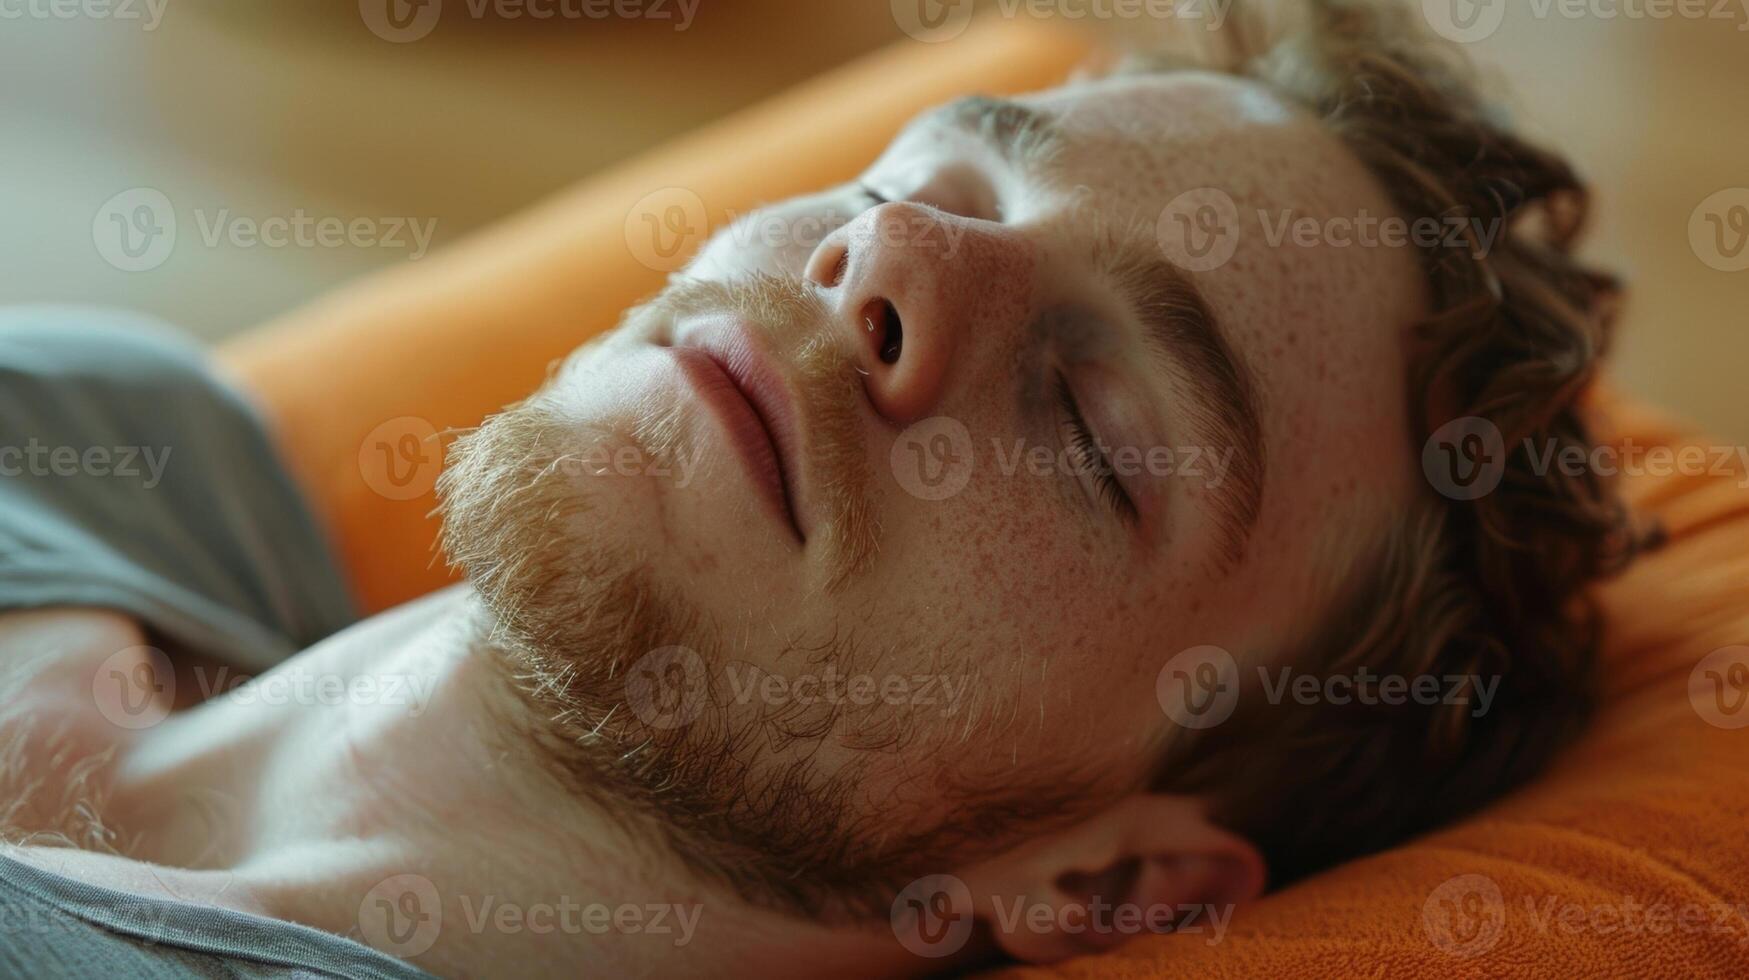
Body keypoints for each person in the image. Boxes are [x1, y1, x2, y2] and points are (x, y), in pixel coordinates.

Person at [0, 1, 1644, 976]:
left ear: (1109, 886)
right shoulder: (121, 439)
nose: (894, 252)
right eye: (916, 175)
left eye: (1088, 420)